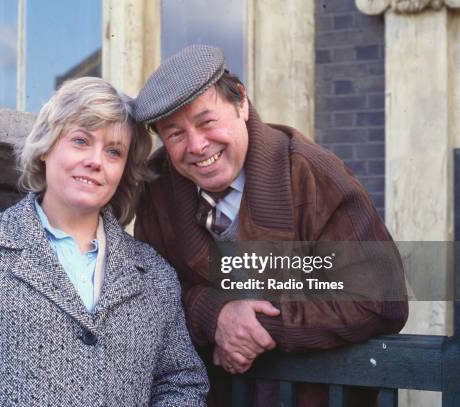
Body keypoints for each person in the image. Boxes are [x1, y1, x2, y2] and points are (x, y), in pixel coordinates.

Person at [0, 77, 209, 406]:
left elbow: (181, 380)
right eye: (81, 141)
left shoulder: (154, 274)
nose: (96, 161)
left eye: (113, 151)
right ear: (46, 148)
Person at [133, 45, 408, 406]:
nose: (198, 146)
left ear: (241, 103)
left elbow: (378, 299)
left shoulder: (315, 173)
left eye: (207, 122)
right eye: (175, 134)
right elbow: (151, 293)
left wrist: (254, 327)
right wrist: (215, 314)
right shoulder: (156, 191)